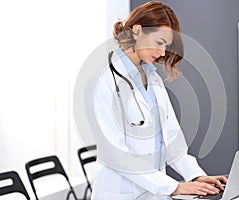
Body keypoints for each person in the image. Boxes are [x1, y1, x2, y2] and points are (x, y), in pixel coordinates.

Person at [92, 1, 227, 199]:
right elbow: (116, 154)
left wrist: (195, 175)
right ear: (137, 31)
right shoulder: (103, 80)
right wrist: (174, 187)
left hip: (154, 192)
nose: (163, 53)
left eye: (166, 46)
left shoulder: (152, 77)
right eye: (159, 42)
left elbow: (172, 139)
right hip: (120, 193)